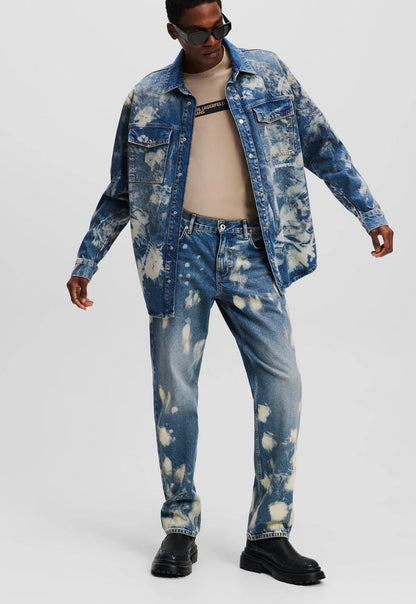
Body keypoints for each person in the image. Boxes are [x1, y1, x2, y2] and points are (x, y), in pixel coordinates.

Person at [66, 0, 394, 585]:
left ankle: (268, 536)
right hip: (178, 254)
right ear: (173, 31)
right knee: (175, 392)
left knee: (282, 386)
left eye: (220, 25)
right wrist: (87, 260)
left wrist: (369, 212)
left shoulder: (269, 73)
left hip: (254, 251)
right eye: (199, 32)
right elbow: (122, 191)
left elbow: (323, 146)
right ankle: (179, 527)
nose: (213, 38)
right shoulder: (147, 97)